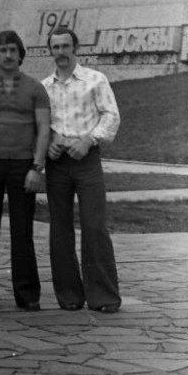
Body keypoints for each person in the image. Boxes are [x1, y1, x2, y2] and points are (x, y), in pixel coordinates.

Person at [42, 28, 122, 313]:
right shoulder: (44, 87)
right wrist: (49, 143)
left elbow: (111, 115)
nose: (61, 52)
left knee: (94, 225)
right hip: (58, 163)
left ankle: (104, 296)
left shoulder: (95, 79)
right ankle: (69, 295)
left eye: (66, 46)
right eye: (56, 47)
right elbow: (41, 123)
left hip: (87, 159)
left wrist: (89, 140)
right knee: (60, 228)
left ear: (75, 48)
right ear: (50, 51)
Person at [0, 30, 50, 311]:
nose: (7, 55)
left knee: (22, 230)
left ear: (20, 55)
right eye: (2, 50)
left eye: (13, 50)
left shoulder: (35, 88)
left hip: (22, 165)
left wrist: (37, 167)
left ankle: (27, 294)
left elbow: (43, 128)